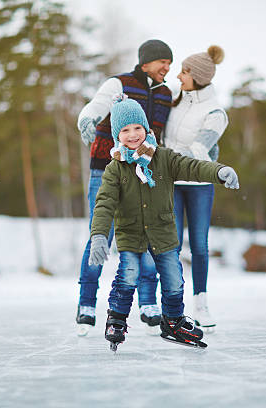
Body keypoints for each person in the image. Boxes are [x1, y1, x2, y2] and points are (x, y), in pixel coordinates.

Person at [88, 95, 239, 351]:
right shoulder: (115, 168)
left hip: (164, 235)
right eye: (125, 130)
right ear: (117, 135)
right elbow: (104, 204)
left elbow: (192, 167)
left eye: (137, 127)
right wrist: (99, 235)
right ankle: (116, 319)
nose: (133, 134)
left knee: (174, 281)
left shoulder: (164, 158)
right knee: (129, 276)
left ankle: (173, 321)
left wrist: (218, 171)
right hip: (131, 236)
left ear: (146, 129)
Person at [75, 39, 174, 336]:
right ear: (146, 63)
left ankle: (147, 303)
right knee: (100, 233)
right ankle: (86, 303)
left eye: (170, 63)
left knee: (147, 233)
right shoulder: (119, 84)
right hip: (105, 170)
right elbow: (95, 107)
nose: (167, 67)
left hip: (144, 173)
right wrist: (87, 120)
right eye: (162, 62)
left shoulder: (168, 93)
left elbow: (179, 125)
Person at [162, 45, 228, 331]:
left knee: (199, 245)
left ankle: (200, 302)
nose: (179, 76)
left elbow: (200, 148)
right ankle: (171, 305)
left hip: (199, 184)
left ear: (198, 76)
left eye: (185, 72)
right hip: (172, 184)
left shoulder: (215, 112)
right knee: (171, 244)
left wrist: (170, 155)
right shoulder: (175, 103)